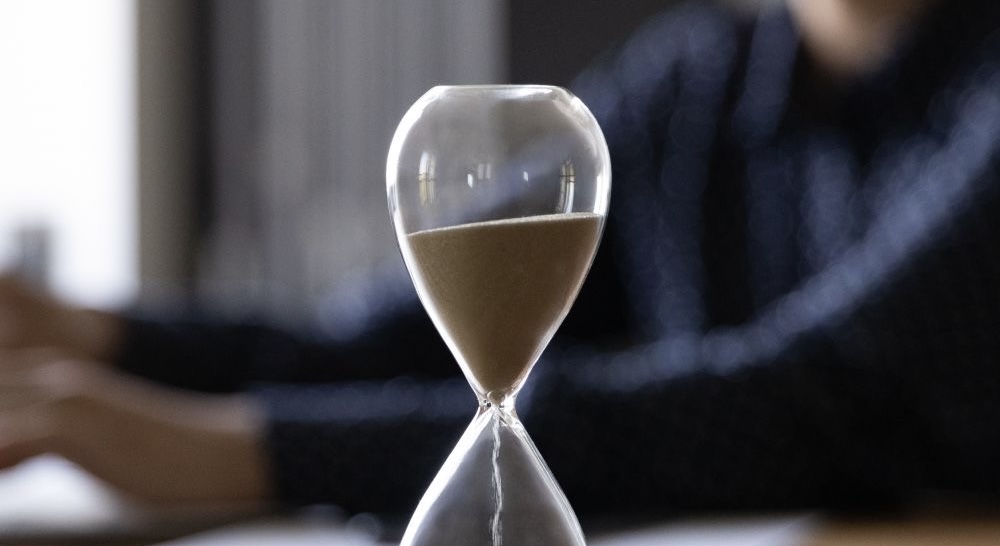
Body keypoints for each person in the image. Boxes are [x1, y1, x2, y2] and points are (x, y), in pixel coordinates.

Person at [1, 0, 999, 519]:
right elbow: (389, 341)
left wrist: (243, 451)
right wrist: (95, 339)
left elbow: (820, 397)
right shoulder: (690, 85)